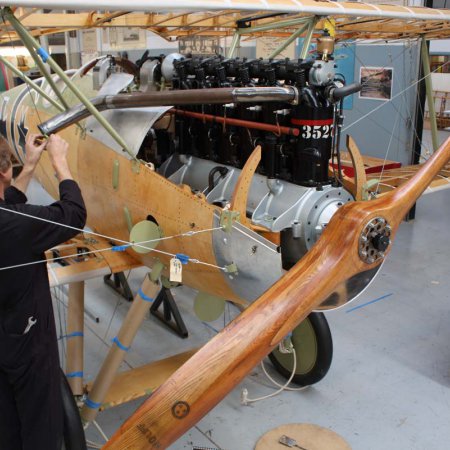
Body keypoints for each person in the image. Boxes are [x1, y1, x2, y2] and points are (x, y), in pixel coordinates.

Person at [0, 132, 87, 450]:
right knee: (41, 427)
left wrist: (30, 164)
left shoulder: (12, 218)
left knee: (6, 424)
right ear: (5, 171)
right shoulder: (18, 226)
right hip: (26, 343)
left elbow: (8, 202)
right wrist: (60, 161)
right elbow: (74, 216)